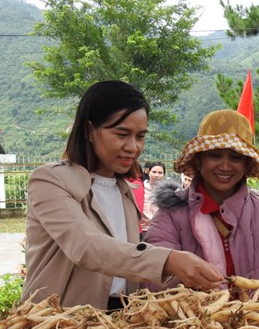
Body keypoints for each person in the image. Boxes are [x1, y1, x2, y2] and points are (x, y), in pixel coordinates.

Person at [22, 80, 224, 310]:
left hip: (118, 323)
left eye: (140, 136)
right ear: (89, 130)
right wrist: (168, 259)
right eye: (122, 134)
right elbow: (85, 246)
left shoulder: (125, 191)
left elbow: (128, 267)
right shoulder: (50, 180)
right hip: (56, 326)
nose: (133, 147)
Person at [145, 109, 259, 309]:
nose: (225, 166)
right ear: (199, 159)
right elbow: (153, 283)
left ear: (246, 164)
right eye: (215, 155)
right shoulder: (171, 216)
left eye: (235, 157)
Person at [142, 161, 166, 231]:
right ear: (148, 172)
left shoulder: (167, 191)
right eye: (154, 172)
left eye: (160, 173)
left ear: (164, 174)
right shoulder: (141, 188)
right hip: (142, 229)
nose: (157, 175)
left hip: (160, 229)